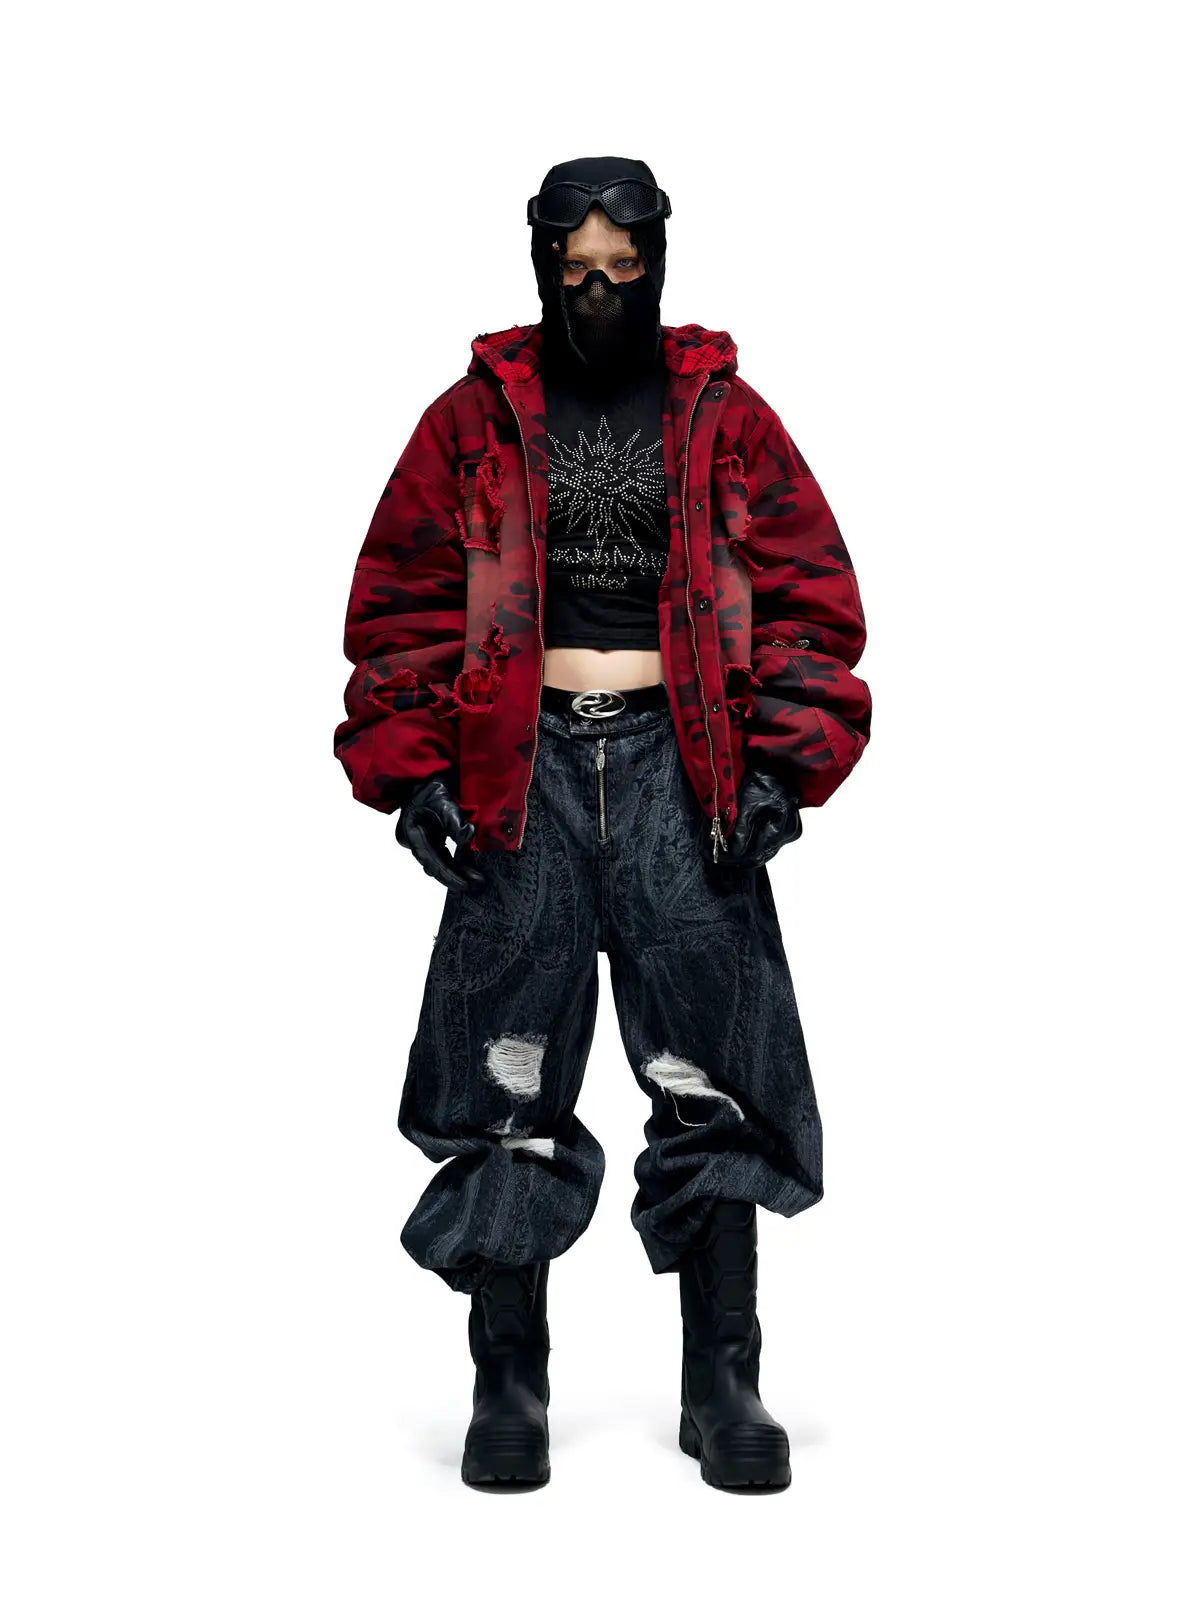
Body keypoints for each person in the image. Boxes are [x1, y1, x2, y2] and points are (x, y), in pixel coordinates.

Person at [333, 156, 872, 1491]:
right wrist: (416, 773)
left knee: (717, 1067)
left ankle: (722, 1377)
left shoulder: (724, 417)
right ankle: (508, 1378)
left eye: (622, 270)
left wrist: (782, 766)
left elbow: (809, 592)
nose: (596, 294)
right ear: (538, 264)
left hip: (686, 769)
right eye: (574, 270)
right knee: (502, 1070)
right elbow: (403, 593)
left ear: (659, 263)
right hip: (517, 774)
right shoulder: (473, 421)